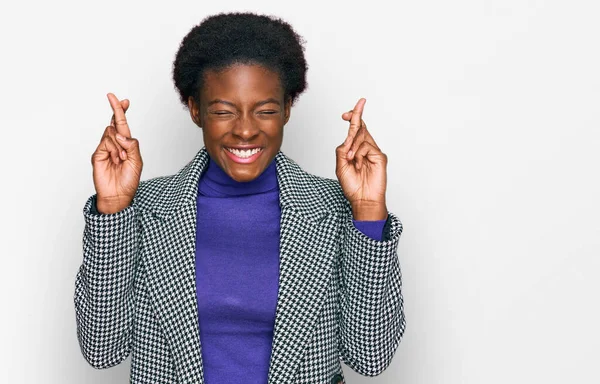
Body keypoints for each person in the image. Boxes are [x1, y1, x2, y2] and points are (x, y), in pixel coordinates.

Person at [74, 12, 405, 384]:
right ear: (196, 110)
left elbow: (371, 356)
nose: (246, 130)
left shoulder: (333, 208)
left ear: (286, 110)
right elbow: (102, 349)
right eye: (223, 111)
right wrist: (114, 207)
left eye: (265, 111)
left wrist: (368, 210)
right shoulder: (145, 209)